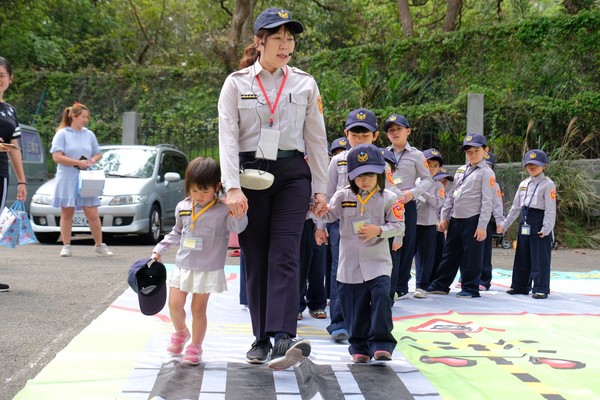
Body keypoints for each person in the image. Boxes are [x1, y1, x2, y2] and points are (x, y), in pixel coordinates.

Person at [218, 7, 329, 370]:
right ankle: (261, 338)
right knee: (257, 254)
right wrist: (232, 187)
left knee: (285, 250)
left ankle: (283, 335)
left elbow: (316, 137)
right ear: (259, 41)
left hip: (293, 173)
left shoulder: (305, 83)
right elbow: (228, 138)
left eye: (291, 38)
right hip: (250, 175)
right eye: (278, 38)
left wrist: (321, 188)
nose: (286, 45)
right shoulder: (236, 83)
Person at [152, 157, 248, 365]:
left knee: (198, 309)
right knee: (174, 305)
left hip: (207, 268)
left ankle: (195, 345)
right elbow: (176, 232)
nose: (199, 196)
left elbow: (237, 228)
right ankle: (181, 332)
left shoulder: (223, 209)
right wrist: (159, 249)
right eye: (195, 191)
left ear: (217, 187)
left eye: (204, 192)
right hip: (183, 265)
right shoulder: (183, 207)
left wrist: (240, 214)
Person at [318, 143, 404, 363]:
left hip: (379, 263)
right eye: (359, 175)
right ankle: (359, 346)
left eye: (369, 174)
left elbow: (399, 226)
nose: (364, 180)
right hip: (350, 265)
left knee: (381, 298)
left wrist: (380, 230)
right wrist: (318, 213)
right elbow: (328, 217)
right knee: (354, 308)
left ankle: (382, 344)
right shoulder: (342, 195)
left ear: (380, 173)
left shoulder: (390, 198)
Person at [316, 108, 380, 343]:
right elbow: (328, 194)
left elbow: (390, 194)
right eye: (355, 134)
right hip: (341, 226)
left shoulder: (382, 161)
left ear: (375, 135)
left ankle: (369, 322)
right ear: (346, 134)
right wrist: (320, 226)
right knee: (339, 271)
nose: (360, 139)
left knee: (373, 272)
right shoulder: (337, 161)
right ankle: (340, 322)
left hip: (374, 227)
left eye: (365, 135)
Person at [427, 134, 495, 298]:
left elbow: (487, 201)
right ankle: (441, 284)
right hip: (456, 219)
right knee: (449, 253)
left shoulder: (487, 173)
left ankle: (470, 287)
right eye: (469, 151)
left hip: (473, 219)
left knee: (472, 256)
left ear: (485, 151)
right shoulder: (461, 170)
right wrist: (444, 217)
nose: (472, 154)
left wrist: (482, 226)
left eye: (476, 150)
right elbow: (451, 195)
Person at [49, 103, 113, 257]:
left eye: (87, 117)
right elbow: (57, 156)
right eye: (83, 117)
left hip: (86, 177)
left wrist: (91, 160)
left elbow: (98, 153)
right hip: (67, 176)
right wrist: (77, 162)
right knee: (67, 212)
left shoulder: (89, 134)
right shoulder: (62, 134)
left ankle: (99, 244)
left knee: (92, 212)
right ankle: (66, 245)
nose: (86, 120)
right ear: (73, 116)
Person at [383, 114, 433, 301]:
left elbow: (428, 179)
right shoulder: (382, 153)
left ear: (408, 131)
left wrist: (412, 193)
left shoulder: (417, 155)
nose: (395, 133)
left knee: (406, 243)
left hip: (406, 203)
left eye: (399, 129)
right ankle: (387, 282)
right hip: (386, 204)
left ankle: (401, 285)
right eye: (391, 130)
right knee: (388, 243)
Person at [497, 150, 556, 299]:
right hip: (525, 219)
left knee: (540, 256)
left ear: (544, 166)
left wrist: (546, 228)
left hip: (539, 221)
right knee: (522, 254)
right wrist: (505, 224)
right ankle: (520, 286)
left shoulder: (548, 184)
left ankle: (541, 288)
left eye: (536, 164)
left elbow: (550, 209)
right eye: (529, 164)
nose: (532, 166)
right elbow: (516, 207)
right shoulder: (524, 184)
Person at [0, 56, 27, 292]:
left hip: (1, 173)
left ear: (10, 79)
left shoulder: (9, 110)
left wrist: (21, 179)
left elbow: (15, 147)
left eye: (1, 75)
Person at [413, 148, 445, 299]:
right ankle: (400, 284)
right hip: (412, 223)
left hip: (428, 224)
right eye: (428, 164)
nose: (431, 168)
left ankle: (422, 285)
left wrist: (422, 192)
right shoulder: (414, 181)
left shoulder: (438, 185)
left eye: (435, 165)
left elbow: (438, 203)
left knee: (426, 256)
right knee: (407, 255)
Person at [480, 152, 504, 290]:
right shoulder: (468, 178)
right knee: (469, 250)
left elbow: (497, 204)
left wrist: (500, 221)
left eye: (489, 166)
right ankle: (467, 276)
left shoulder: (494, 185)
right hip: (470, 218)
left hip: (485, 220)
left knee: (484, 250)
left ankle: (484, 279)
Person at [431, 167, 454, 278]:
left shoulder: (448, 197)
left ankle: (436, 277)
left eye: (445, 181)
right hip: (429, 227)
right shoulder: (428, 194)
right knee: (428, 256)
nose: (443, 183)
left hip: (441, 230)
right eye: (440, 180)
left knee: (440, 254)